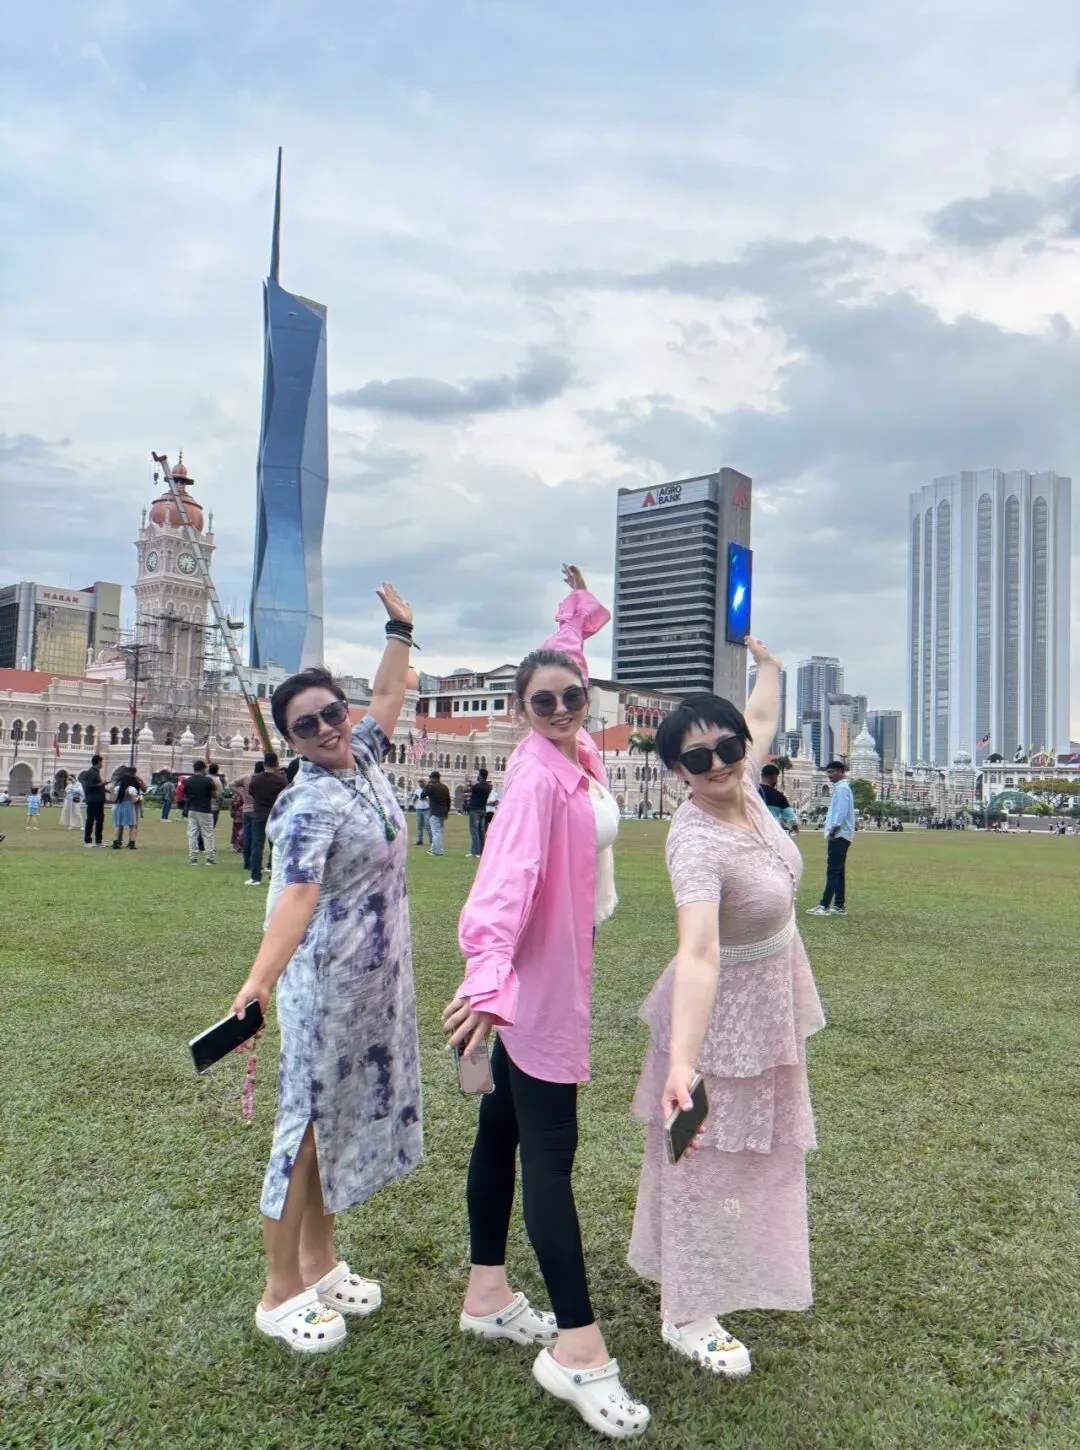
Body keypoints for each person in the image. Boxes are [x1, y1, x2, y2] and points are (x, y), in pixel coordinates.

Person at [442, 566, 649, 1441]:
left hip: (555, 965)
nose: (561, 709)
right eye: (544, 702)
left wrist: (575, 612)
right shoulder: (533, 779)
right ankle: (578, 1347)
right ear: (520, 709)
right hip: (535, 984)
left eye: (571, 697)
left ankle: (487, 1293)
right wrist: (489, 985)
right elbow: (503, 884)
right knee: (551, 1154)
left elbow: (567, 652)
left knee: (503, 1131)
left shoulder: (576, 750)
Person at [227, 583, 422, 1354]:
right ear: (292, 741)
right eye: (305, 726)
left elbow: (389, 696)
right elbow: (297, 899)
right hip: (325, 987)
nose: (327, 728)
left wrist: (399, 631)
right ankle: (278, 1293)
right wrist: (259, 981)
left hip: (375, 982)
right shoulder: (306, 803)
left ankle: (319, 1263)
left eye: (331, 713)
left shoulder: (363, 755)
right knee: (305, 1130)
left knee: (337, 1124)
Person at [628, 642, 825, 1382]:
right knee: (699, 1157)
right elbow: (699, 951)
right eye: (696, 758)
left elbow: (761, 718)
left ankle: (709, 1271)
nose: (717, 764)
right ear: (677, 771)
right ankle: (687, 1312)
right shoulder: (696, 843)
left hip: (767, 1003)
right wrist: (683, 1063)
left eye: (728, 748)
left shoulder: (744, 789)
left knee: (756, 1154)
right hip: (714, 1019)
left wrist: (768, 668)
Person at [807, 761, 856, 917]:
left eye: (832, 772)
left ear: (841, 772)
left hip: (839, 834)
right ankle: (839, 905)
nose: (829, 775)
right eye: (828, 772)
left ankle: (824, 905)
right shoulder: (840, 788)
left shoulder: (842, 788)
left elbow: (841, 812)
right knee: (838, 871)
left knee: (833, 871)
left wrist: (834, 830)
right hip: (841, 834)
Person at [245, 751, 288, 886]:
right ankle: (274, 874)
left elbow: (252, 793)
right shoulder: (281, 780)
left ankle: (255, 877)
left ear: (264, 764)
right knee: (275, 846)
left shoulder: (256, 779)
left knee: (257, 846)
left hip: (259, 814)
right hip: (275, 815)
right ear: (276, 764)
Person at [183, 760, 217, 865]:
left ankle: (193, 858)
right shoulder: (208, 781)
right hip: (205, 810)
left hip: (192, 810)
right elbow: (214, 795)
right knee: (208, 835)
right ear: (203, 769)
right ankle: (209, 858)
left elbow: (185, 795)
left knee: (193, 834)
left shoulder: (188, 781)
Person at [758, 763, 797, 831]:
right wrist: (795, 828)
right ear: (774, 777)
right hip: (771, 831)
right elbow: (791, 817)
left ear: (761, 775)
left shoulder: (751, 792)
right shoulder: (779, 796)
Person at [80, 754, 107, 849]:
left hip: (99, 800)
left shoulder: (96, 772)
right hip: (93, 800)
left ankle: (98, 841)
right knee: (91, 819)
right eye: (101, 762)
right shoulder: (91, 772)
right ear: (98, 762)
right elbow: (89, 786)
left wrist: (104, 788)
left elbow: (96, 785)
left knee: (100, 820)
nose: (102, 763)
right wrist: (101, 784)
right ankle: (88, 841)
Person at [465, 767, 493, 857]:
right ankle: (481, 851)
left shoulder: (477, 786)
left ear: (480, 776)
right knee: (481, 831)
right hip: (483, 810)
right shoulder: (488, 787)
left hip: (475, 810)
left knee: (474, 831)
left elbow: (466, 790)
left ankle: (475, 851)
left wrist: (468, 782)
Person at [111, 768, 141, 849]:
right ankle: (132, 843)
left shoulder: (118, 788)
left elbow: (114, 798)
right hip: (129, 806)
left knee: (118, 825)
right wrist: (138, 798)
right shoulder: (131, 789)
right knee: (132, 825)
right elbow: (134, 800)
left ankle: (115, 842)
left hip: (119, 806)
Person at [424, 771, 451, 856]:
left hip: (435, 812)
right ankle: (433, 849)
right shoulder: (445, 787)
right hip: (443, 813)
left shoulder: (431, 787)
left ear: (433, 778)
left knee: (436, 832)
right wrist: (447, 811)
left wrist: (427, 786)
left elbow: (422, 795)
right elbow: (448, 801)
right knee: (439, 831)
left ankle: (438, 851)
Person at [411, 782, 431, 848]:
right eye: (420, 783)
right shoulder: (417, 791)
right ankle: (420, 840)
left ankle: (431, 840)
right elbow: (414, 799)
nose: (421, 784)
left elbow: (431, 799)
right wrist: (414, 805)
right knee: (419, 825)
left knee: (428, 825)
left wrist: (426, 799)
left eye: (422, 783)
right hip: (419, 809)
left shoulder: (428, 790)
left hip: (426, 809)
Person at [230, 778, 247, 855]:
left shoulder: (237, 793)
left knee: (237, 832)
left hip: (238, 815)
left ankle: (239, 848)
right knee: (244, 832)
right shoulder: (248, 790)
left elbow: (234, 804)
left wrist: (232, 812)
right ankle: (243, 847)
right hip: (247, 813)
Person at [208, 763, 224, 828]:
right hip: (213, 807)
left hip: (201, 807)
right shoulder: (217, 781)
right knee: (210, 829)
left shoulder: (203, 778)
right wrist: (219, 807)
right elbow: (220, 796)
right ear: (217, 771)